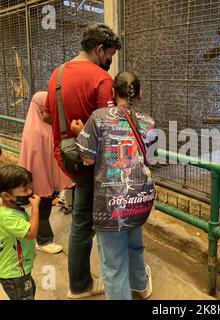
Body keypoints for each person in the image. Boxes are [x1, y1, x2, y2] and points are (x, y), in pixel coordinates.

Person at [42, 24, 121, 298]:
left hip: (65, 156)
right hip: (91, 163)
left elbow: (47, 116)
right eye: (109, 55)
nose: (110, 62)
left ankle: (83, 278)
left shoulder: (58, 73)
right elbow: (109, 129)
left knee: (82, 214)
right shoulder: (101, 79)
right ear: (99, 50)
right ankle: (80, 284)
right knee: (83, 223)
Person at [74, 71, 157, 300]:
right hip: (138, 199)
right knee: (134, 244)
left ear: (112, 93)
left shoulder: (98, 117)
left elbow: (88, 158)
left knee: (113, 264)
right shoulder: (149, 122)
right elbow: (151, 156)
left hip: (110, 204)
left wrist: (78, 134)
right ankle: (140, 286)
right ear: (138, 94)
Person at [19, 91, 74, 254]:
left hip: (47, 175)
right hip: (39, 178)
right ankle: (43, 241)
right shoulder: (34, 131)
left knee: (45, 207)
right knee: (42, 208)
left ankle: (41, 238)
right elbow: (36, 160)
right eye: (46, 105)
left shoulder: (43, 125)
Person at [0, 165, 40, 300]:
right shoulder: (7, 216)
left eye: (30, 187)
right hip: (14, 273)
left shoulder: (14, 208)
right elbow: (31, 233)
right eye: (24, 190)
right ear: (6, 195)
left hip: (19, 269)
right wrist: (35, 208)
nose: (30, 192)